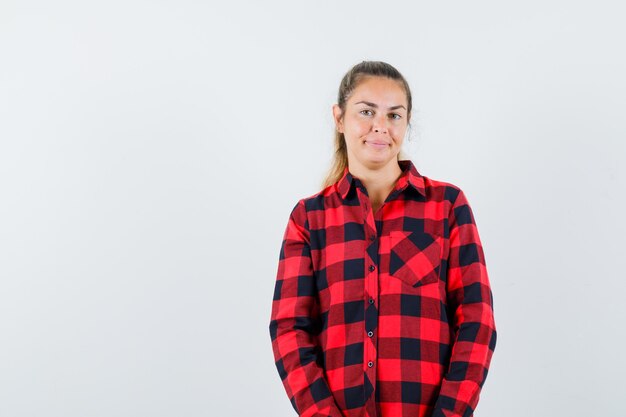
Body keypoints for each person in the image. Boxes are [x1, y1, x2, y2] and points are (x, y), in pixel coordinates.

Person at [269, 61, 497, 417]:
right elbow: (289, 330)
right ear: (340, 118)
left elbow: (476, 321)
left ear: (407, 123)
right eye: (366, 111)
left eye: (394, 115)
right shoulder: (309, 218)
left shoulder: (447, 206)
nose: (380, 126)